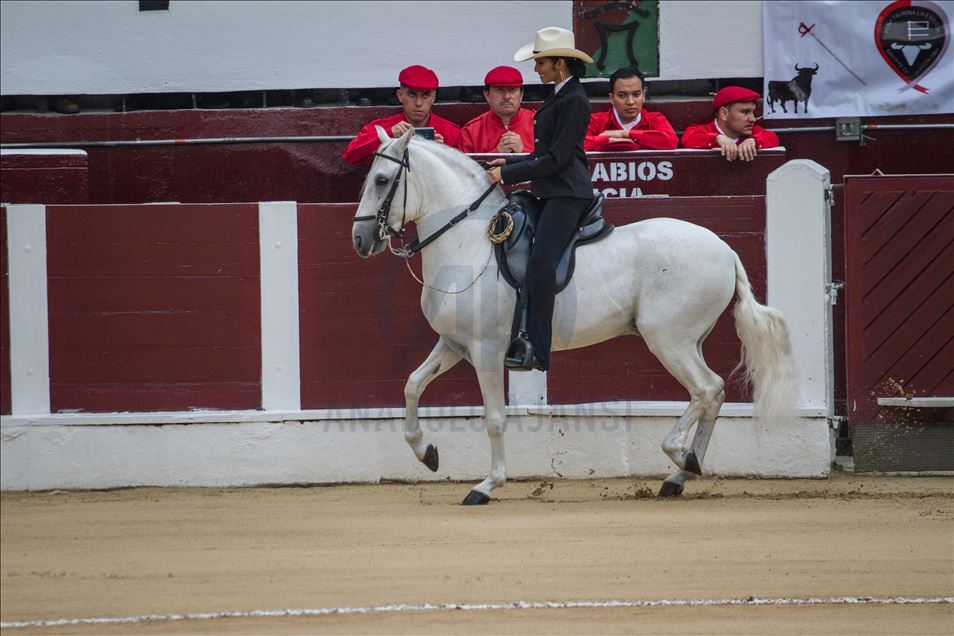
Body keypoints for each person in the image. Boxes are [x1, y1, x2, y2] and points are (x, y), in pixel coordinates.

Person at [486, 27, 594, 372]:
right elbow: (544, 154)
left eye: (541, 62)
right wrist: (511, 162)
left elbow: (557, 160)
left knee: (540, 263)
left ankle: (538, 350)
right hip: (553, 189)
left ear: (560, 63)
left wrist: (508, 174)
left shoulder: (574, 99)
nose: (536, 69)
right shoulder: (562, 94)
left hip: (567, 193)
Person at [342, 65, 460, 165]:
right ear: (400, 95)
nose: (418, 103)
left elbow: (465, 176)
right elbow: (350, 155)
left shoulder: (451, 132)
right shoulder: (382, 128)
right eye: (412, 94)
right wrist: (389, 135)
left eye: (425, 95)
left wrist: (442, 154)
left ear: (433, 97)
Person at [584, 67, 677, 151]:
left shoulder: (655, 119)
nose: (630, 102)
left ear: (643, 96)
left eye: (636, 94)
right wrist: (608, 139)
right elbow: (578, 143)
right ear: (611, 98)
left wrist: (624, 134)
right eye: (622, 95)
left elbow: (671, 141)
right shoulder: (596, 121)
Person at [680, 86, 780, 161]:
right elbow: (688, 138)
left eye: (753, 112)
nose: (753, 119)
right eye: (745, 112)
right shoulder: (703, 130)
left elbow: (772, 137)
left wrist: (754, 140)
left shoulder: (753, 132)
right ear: (724, 114)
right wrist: (717, 138)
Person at [459, 66, 535, 153]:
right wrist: (497, 152)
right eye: (500, 90)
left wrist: (524, 152)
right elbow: (464, 166)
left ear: (521, 94)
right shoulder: (471, 131)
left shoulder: (539, 122)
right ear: (487, 94)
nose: (507, 96)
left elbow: (551, 163)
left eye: (512, 90)